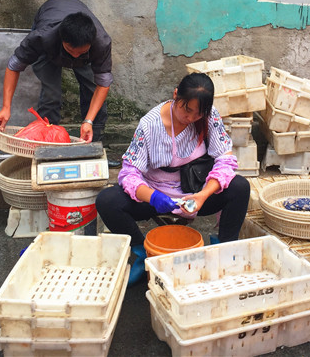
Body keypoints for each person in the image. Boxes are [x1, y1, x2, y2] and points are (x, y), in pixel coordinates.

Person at [95, 72, 250, 285]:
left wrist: (203, 195)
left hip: (195, 190)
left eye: (198, 114)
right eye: (187, 109)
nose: (191, 118)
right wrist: (153, 197)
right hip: (156, 193)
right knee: (107, 200)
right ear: (176, 95)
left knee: (240, 187)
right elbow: (129, 173)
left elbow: (225, 160)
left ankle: (224, 248)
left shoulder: (209, 116)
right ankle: (143, 252)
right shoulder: (149, 124)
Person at [0, 0, 112, 142]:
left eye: (80, 52)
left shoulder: (101, 43)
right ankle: (47, 144)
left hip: (84, 50)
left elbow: (103, 84)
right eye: (70, 50)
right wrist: (6, 107)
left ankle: (94, 144)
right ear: (62, 39)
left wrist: (88, 121)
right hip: (49, 41)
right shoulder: (42, 37)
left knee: (92, 88)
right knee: (51, 94)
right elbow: (13, 66)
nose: (74, 56)